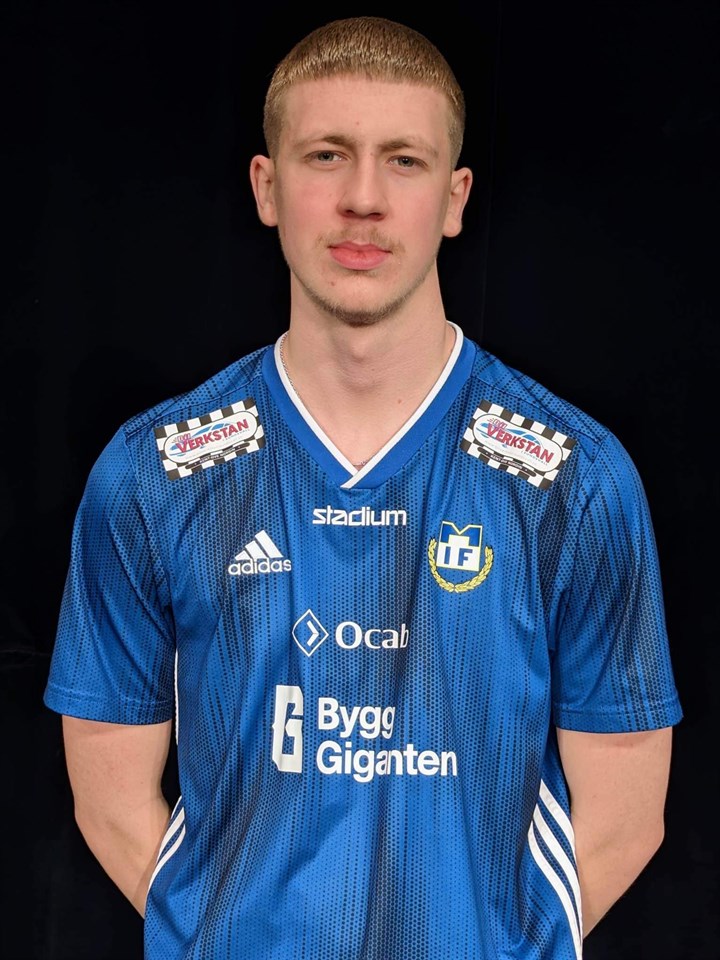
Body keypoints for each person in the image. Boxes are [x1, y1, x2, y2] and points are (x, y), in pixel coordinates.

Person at [44, 16, 682, 960]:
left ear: (455, 199)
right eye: (327, 155)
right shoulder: (153, 473)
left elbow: (626, 819)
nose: (363, 200)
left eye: (404, 162)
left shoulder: (574, 479)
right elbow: (109, 799)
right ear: (267, 186)